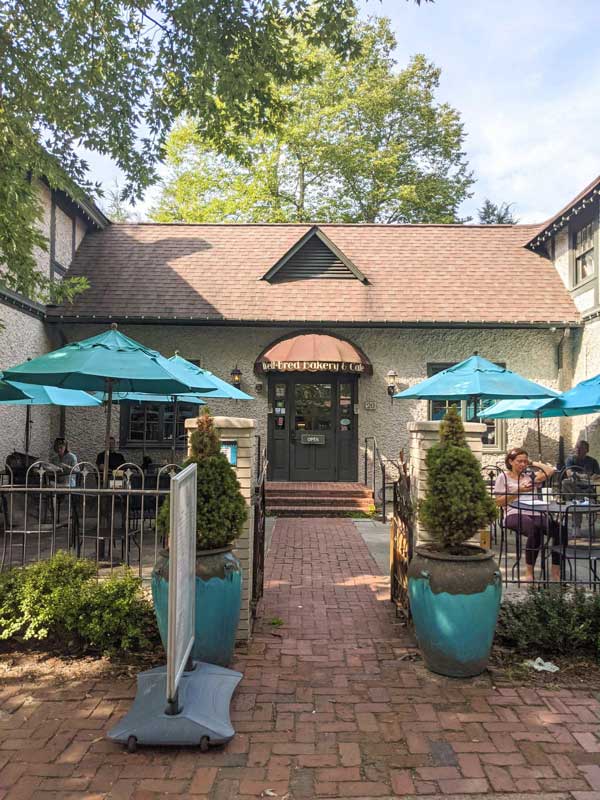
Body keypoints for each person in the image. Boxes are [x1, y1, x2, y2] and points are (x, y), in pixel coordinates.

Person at [494, 447, 564, 582]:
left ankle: (555, 571)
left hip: (536, 512)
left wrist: (532, 463)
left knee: (560, 530)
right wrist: (518, 491)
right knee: (533, 529)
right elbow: (498, 502)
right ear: (511, 461)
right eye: (519, 461)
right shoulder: (503, 478)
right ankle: (529, 572)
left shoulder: (531, 477)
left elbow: (550, 471)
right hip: (513, 513)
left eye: (525, 462)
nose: (522, 464)